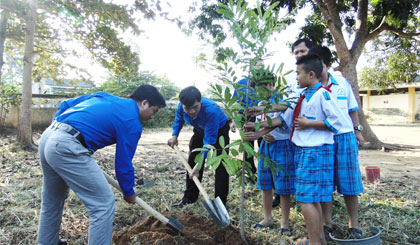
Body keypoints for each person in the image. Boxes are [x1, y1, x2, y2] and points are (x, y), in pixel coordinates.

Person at [37, 85, 166, 245]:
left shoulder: (105, 97)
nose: (152, 116)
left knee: (52, 199)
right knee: (103, 204)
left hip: (48, 136)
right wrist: (128, 191)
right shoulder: (132, 121)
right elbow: (123, 163)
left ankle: (46, 242)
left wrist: (57, 133)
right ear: (144, 103)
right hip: (65, 144)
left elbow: (65, 105)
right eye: (154, 111)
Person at [308, 46, 365, 239]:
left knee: (350, 181)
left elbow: (352, 109)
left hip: (345, 136)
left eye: (319, 65)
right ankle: (327, 223)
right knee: (325, 184)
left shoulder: (342, 83)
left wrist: (358, 131)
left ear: (328, 64)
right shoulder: (311, 87)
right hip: (323, 139)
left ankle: (354, 224)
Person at [292, 54, 344, 245]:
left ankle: (315, 242)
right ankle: (320, 240)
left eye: (298, 73)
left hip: (315, 150)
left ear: (311, 74)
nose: (296, 77)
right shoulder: (306, 95)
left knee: (306, 199)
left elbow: (336, 122)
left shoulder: (323, 94)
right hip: (308, 149)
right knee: (312, 198)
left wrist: (309, 124)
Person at [243, 80, 295, 235]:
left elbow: (282, 122)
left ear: (272, 86)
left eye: (264, 87)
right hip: (266, 146)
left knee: (283, 187)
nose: (261, 92)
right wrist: (261, 134)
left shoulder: (283, 101)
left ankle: (285, 222)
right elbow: (262, 125)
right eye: (257, 90)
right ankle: (267, 218)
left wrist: (260, 131)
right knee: (265, 183)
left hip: (283, 145)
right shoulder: (260, 104)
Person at [168, 86, 230, 207]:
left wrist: (201, 163)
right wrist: (174, 135)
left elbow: (209, 140)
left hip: (219, 131)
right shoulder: (181, 106)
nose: (191, 112)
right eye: (188, 108)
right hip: (199, 130)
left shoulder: (211, 110)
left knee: (221, 164)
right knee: (192, 161)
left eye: (195, 107)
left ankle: (220, 202)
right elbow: (179, 119)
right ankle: (190, 197)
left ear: (200, 100)